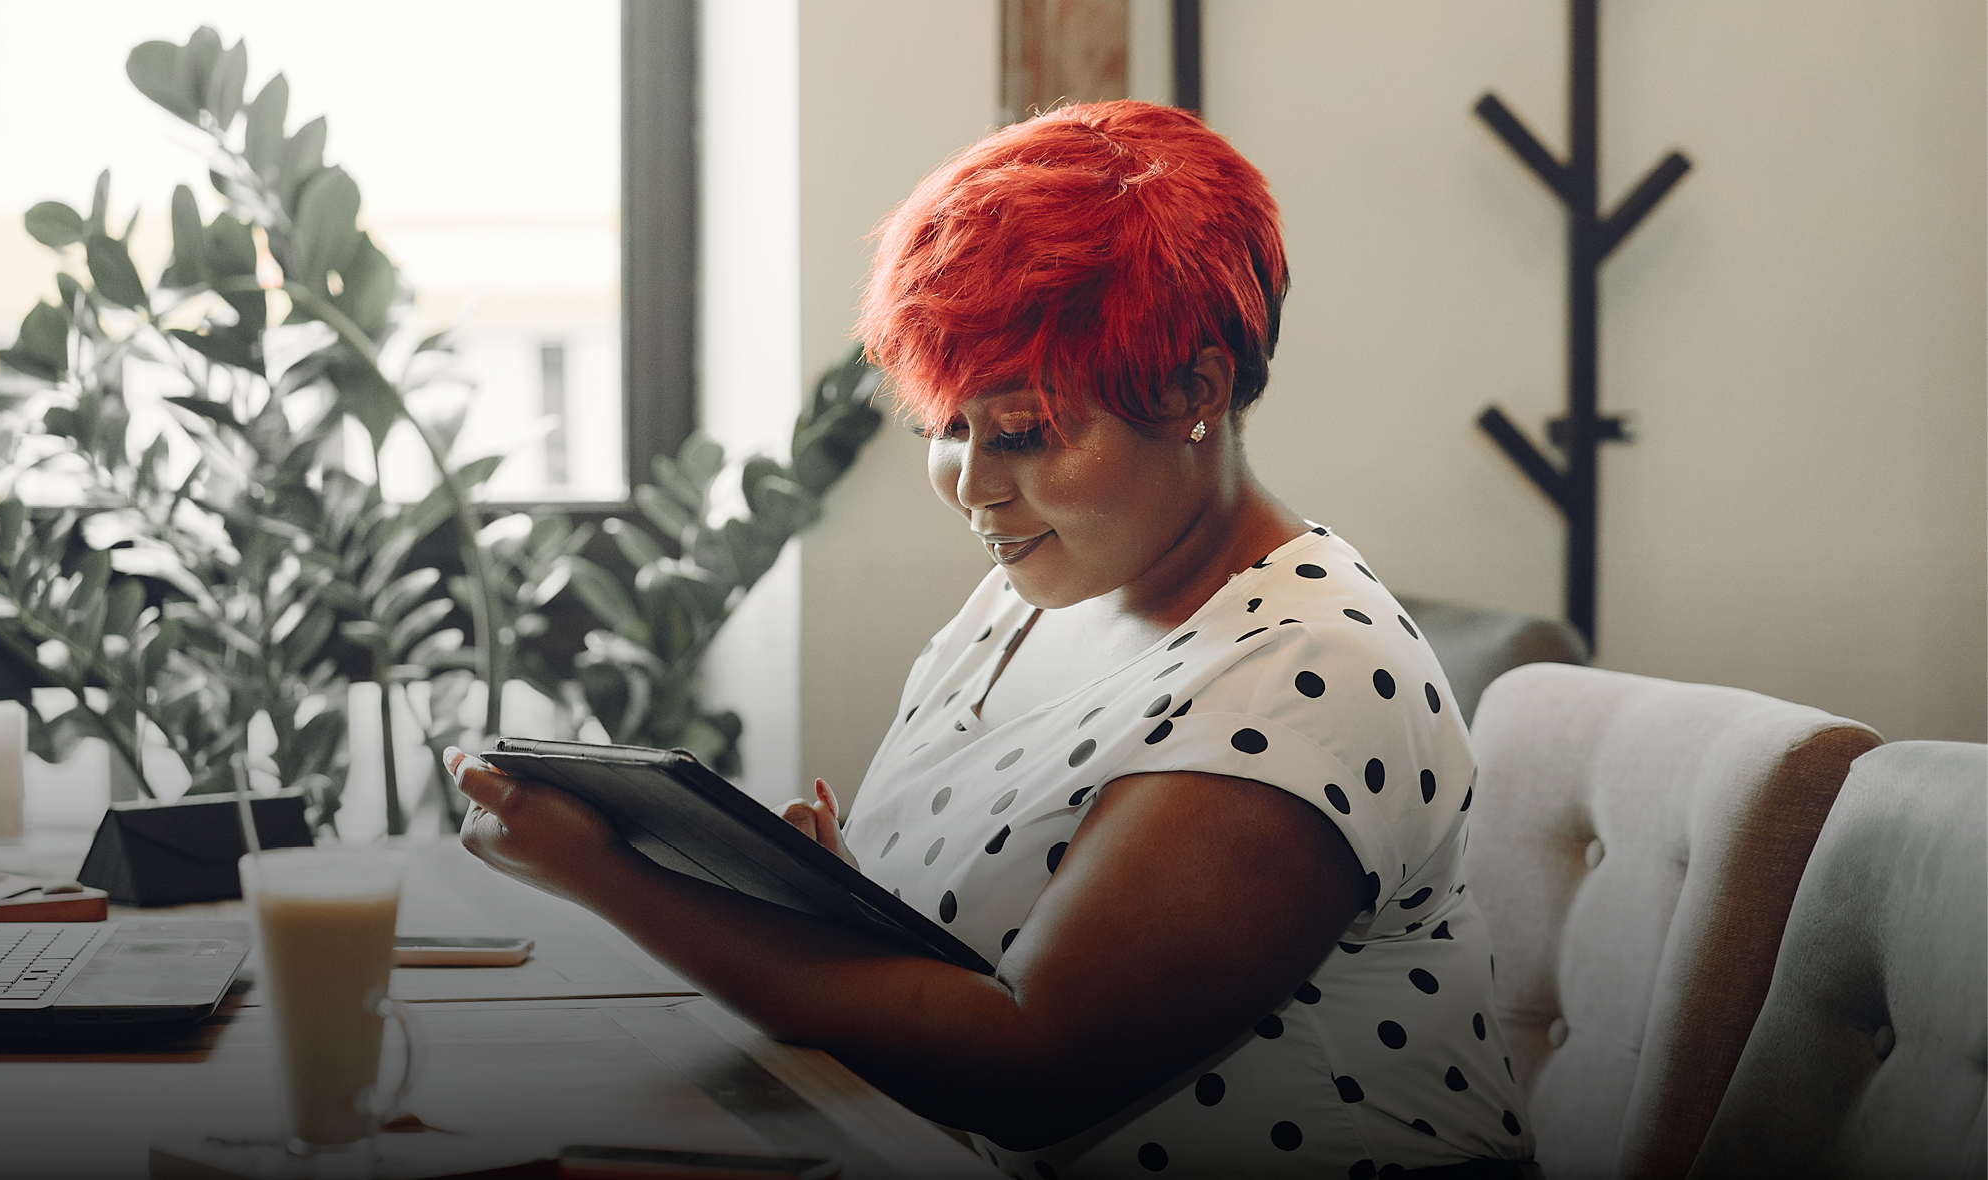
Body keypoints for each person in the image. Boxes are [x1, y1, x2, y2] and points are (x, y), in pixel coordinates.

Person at [450, 101, 1536, 1180]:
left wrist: (610, 876)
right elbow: (957, 968)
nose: (972, 486)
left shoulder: (1311, 675)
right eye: (945, 429)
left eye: (1022, 432)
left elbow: (1031, 1068)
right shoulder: (1026, 598)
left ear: (1195, 390)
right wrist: (827, 899)